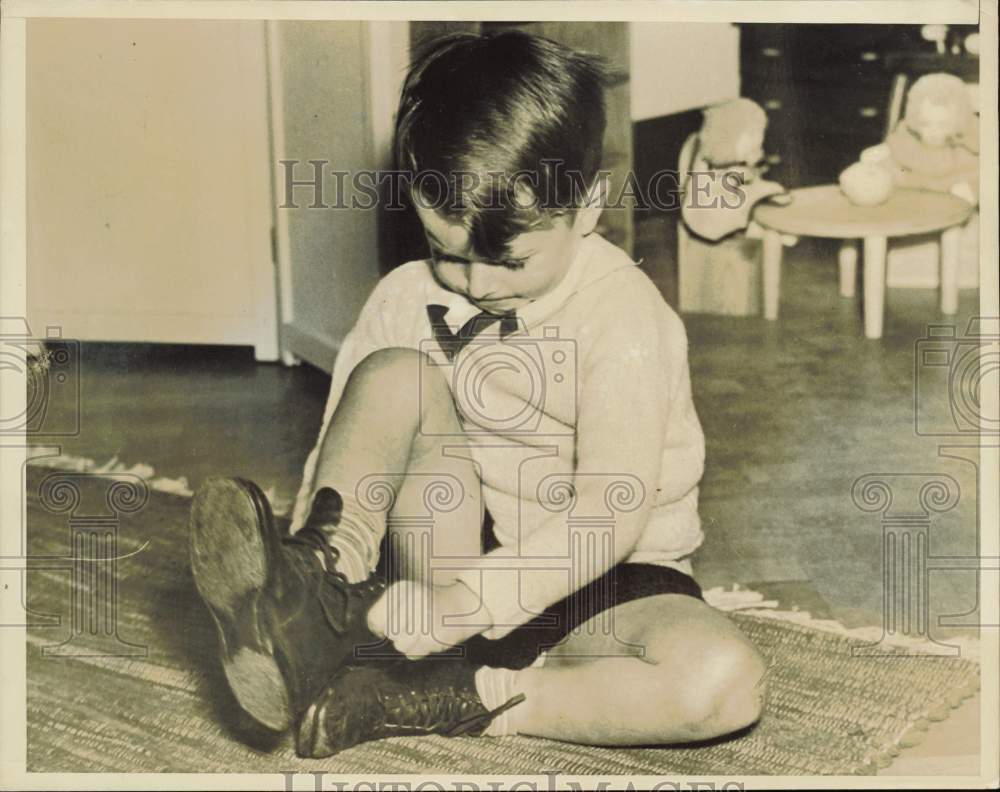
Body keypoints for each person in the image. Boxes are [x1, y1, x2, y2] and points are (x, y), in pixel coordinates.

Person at [189, 30, 767, 759]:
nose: (477, 284)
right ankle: (319, 589)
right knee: (394, 370)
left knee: (722, 682)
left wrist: (472, 606)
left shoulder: (624, 315)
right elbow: (348, 436)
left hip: (603, 583)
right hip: (444, 566)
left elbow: (607, 515)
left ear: (586, 207)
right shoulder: (408, 295)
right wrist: (340, 553)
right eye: (446, 253)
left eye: (509, 259)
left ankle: (468, 699)